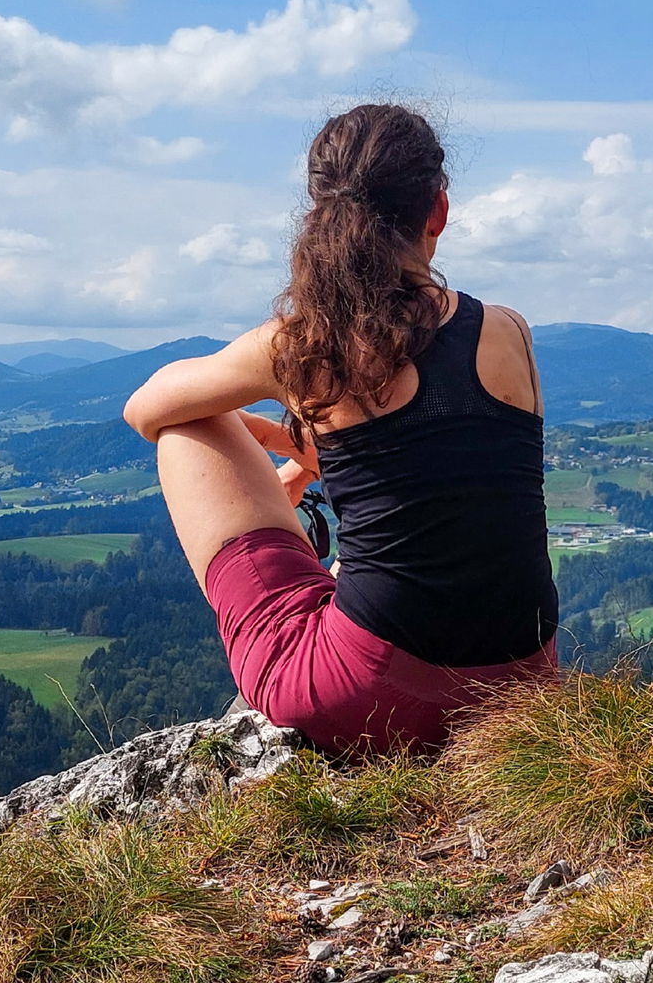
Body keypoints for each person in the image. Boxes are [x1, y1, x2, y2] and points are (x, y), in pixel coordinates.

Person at [122, 103, 559, 755]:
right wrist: (296, 451)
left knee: (188, 428)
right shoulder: (508, 331)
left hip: (373, 698)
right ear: (437, 210)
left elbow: (145, 409)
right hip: (526, 682)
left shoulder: (300, 346)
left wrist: (246, 427)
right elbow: (445, 470)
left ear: (319, 217)